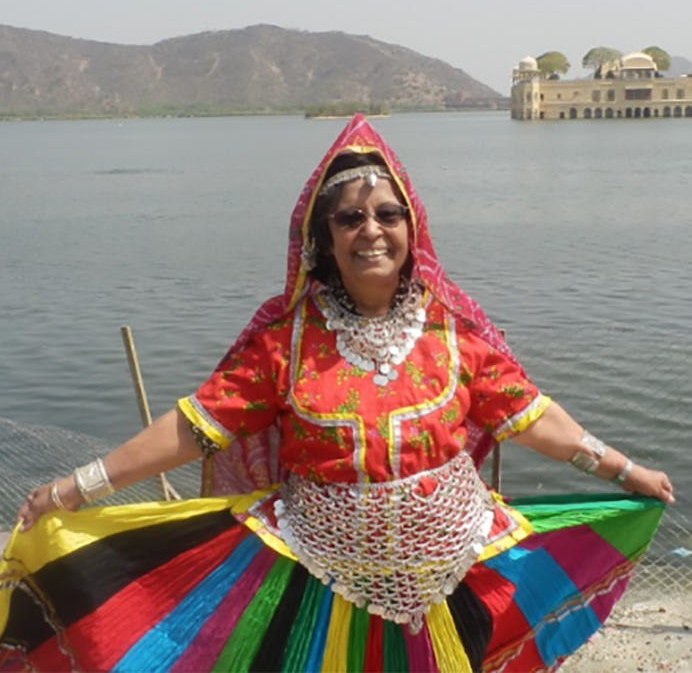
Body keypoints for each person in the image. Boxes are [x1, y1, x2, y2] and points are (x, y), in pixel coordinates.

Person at [1, 114, 674, 673]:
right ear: (324, 240)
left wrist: (625, 469)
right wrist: (75, 489)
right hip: (316, 579)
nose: (370, 230)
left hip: (453, 575)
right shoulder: (284, 342)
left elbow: (530, 417)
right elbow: (193, 427)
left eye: (387, 214)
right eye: (350, 219)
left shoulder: (454, 333)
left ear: (413, 232)